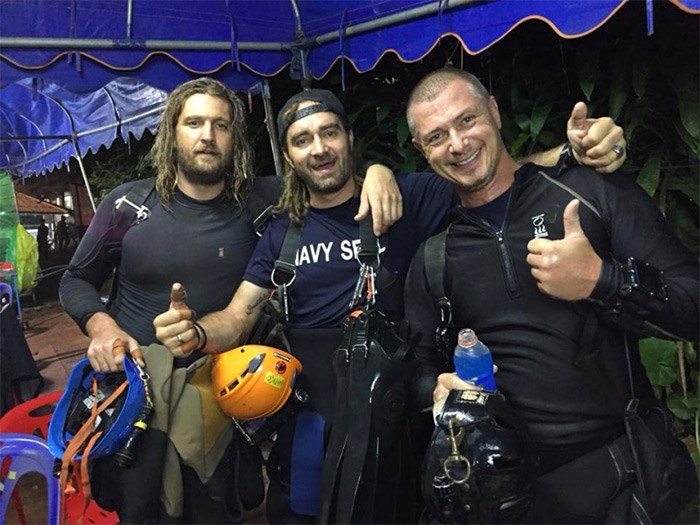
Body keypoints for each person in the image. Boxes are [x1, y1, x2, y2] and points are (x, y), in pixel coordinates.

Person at [153, 87, 626, 523]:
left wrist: (573, 152)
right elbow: (238, 316)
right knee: (302, 513)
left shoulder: (408, 196)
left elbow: (499, 177)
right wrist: (196, 334)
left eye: (329, 132)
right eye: (302, 140)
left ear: (349, 138)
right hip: (313, 426)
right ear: (289, 156)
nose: (318, 149)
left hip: (400, 422)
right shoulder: (281, 232)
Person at [58, 77, 404, 523]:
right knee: (141, 510)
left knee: (219, 511)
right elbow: (75, 280)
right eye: (194, 122)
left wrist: (377, 172)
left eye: (220, 125)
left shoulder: (264, 202)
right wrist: (103, 329)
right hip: (134, 397)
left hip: (223, 400)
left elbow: (327, 173)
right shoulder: (127, 206)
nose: (207, 135)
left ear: (235, 138)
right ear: (172, 133)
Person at [403, 68, 699, 523]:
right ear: (423, 151)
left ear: (495, 113)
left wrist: (602, 280)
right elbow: (418, 366)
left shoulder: (589, 192)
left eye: (467, 121)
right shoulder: (435, 257)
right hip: (510, 495)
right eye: (437, 135)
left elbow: (692, 303)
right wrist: (437, 389)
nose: (458, 144)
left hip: (623, 478)